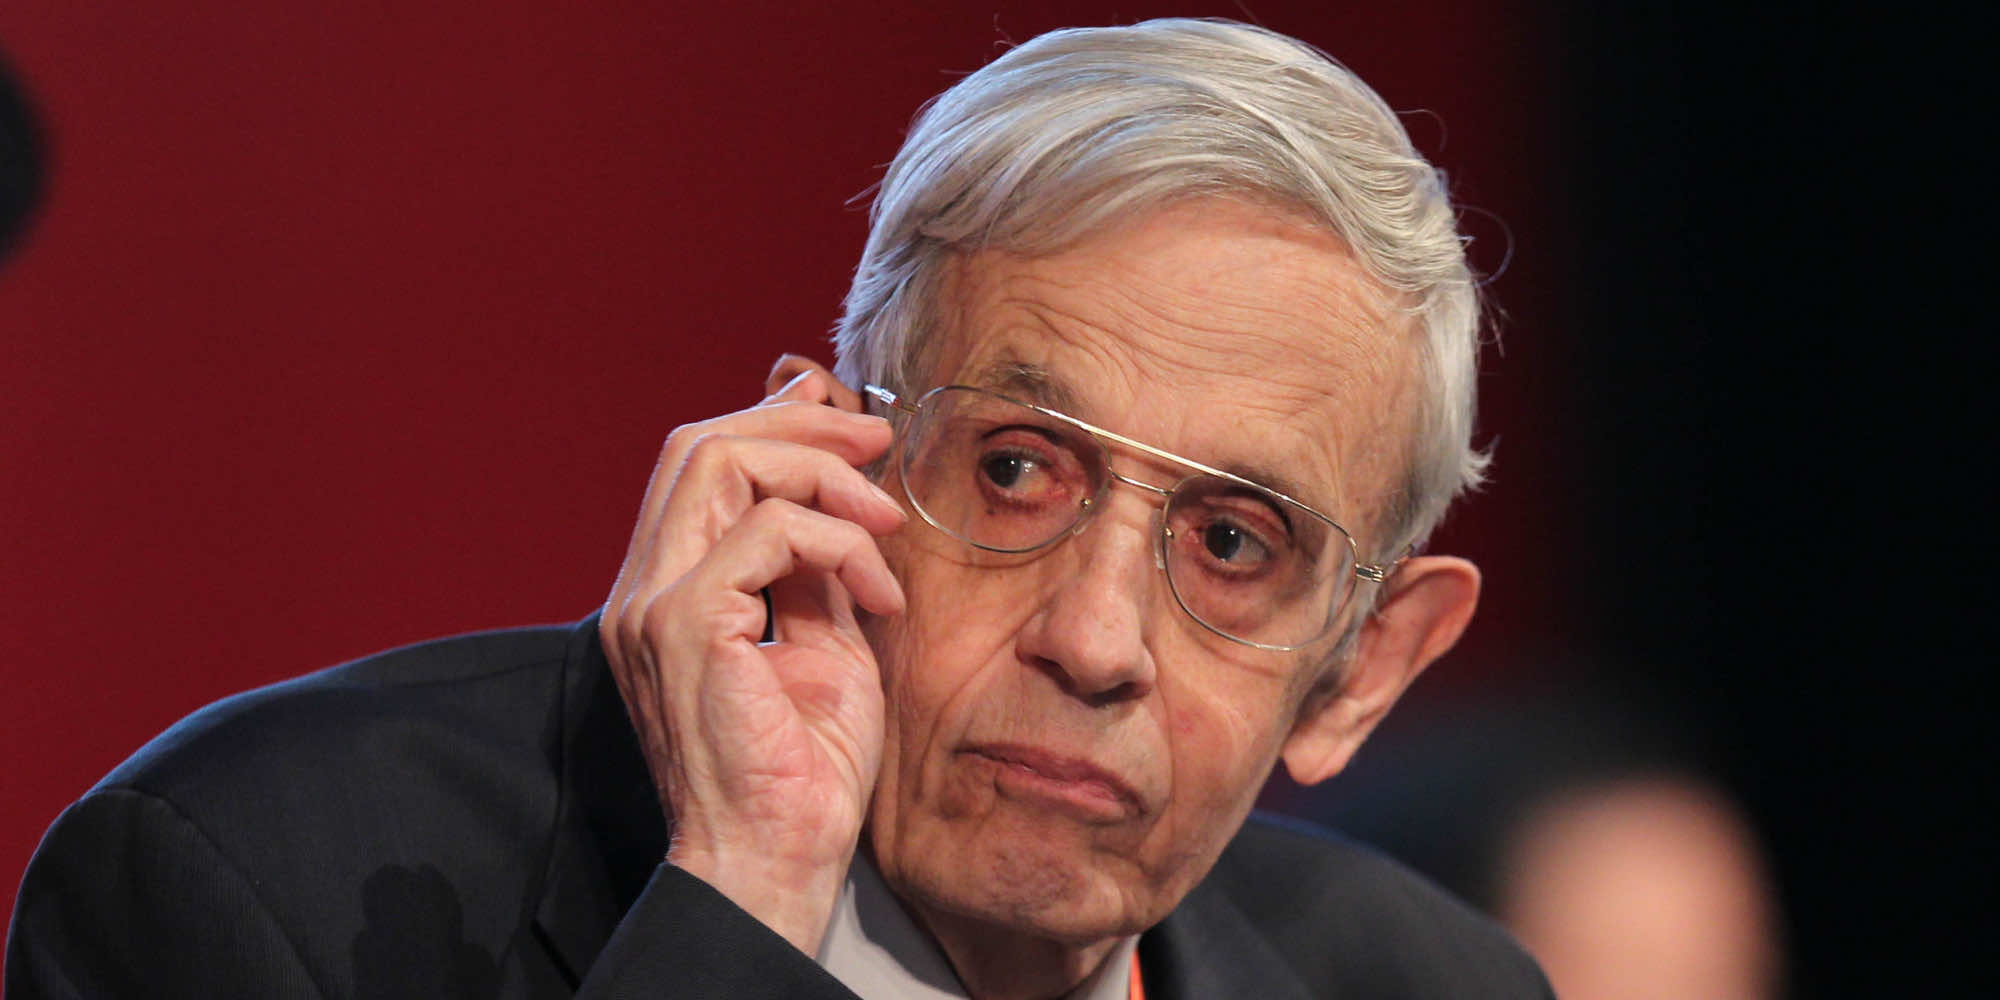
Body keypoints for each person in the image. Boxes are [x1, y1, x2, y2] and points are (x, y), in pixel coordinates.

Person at [7, 19, 1551, 999]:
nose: (1094, 642)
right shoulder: (251, 894)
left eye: (1230, 543)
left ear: (1360, 668)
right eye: (1016, 467)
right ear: (822, 462)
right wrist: (744, 899)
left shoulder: (1433, 985)